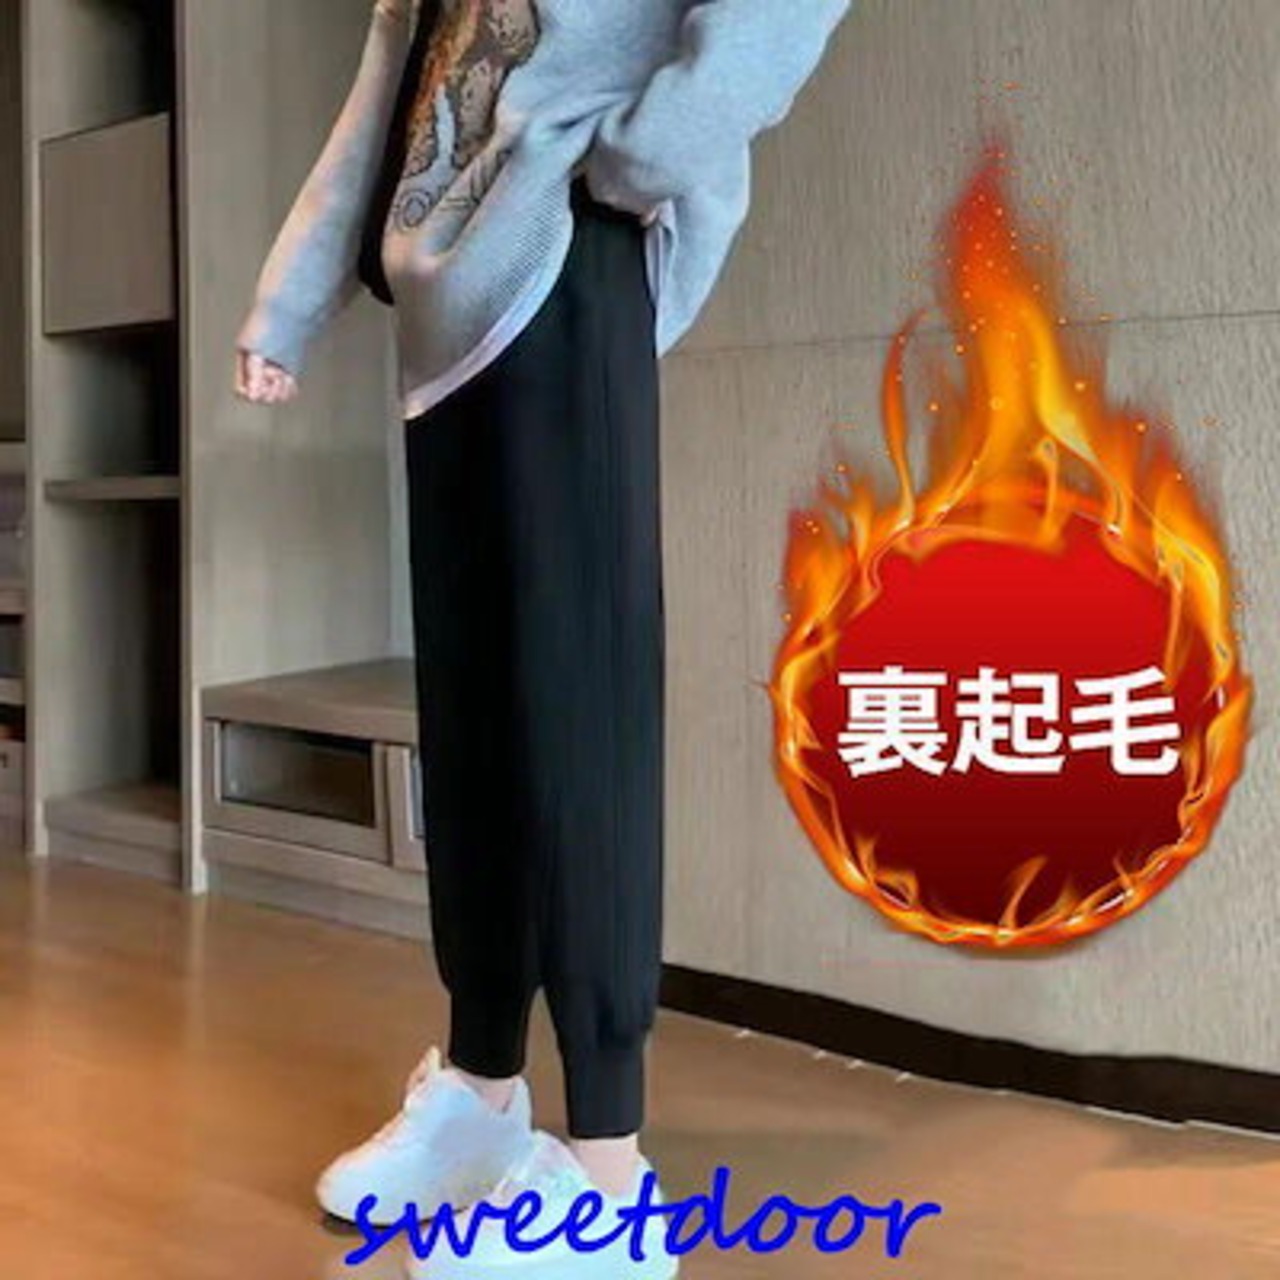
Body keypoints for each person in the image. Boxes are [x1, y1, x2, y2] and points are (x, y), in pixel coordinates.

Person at [233, 1, 853, 1274]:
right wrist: (286, 303)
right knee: (474, 719)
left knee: (583, 717)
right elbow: (384, 96)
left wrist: (633, 161)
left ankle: (612, 1179)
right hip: (441, 325)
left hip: (566, 264)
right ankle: (481, 1088)